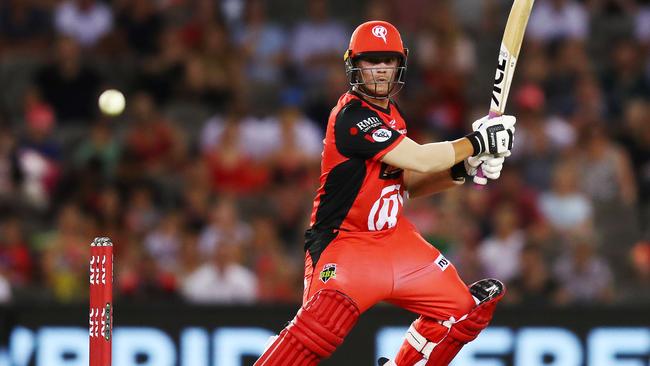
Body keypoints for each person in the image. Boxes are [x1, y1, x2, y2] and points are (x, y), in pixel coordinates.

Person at [254, 20, 515, 366]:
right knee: (320, 328)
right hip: (344, 245)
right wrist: (477, 143)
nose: (379, 70)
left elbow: (405, 183)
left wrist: (463, 168)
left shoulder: (394, 116)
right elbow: (420, 159)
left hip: (393, 240)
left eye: (387, 61)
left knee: (464, 311)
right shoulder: (350, 118)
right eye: (370, 61)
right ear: (353, 65)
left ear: (399, 65)